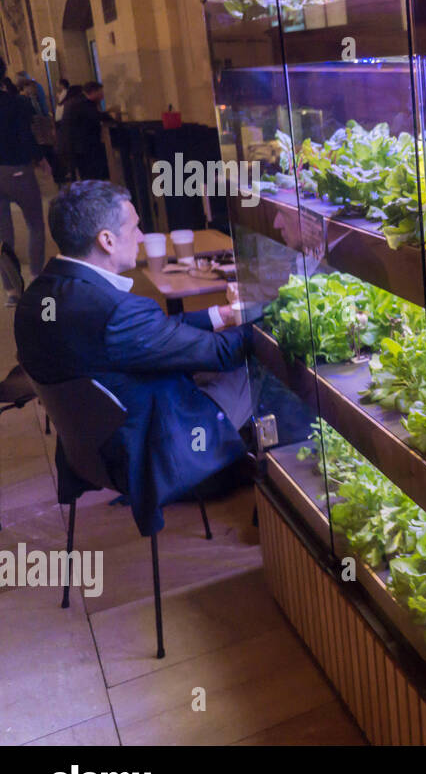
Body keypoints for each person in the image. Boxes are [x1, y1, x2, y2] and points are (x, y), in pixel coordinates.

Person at [14, 181, 252, 536]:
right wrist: (274, 311)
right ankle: (280, 506)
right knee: (257, 364)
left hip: (89, 451)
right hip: (148, 449)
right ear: (106, 240)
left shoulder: (39, 297)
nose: (142, 236)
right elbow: (222, 352)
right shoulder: (116, 312)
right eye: (135, 227)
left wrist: (225, 314)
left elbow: (154, 334)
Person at [0, 58, 49, 303]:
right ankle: (36, 277)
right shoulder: (16, 104)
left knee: (3, 234)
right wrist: (41, 160)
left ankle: (11, 291)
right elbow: (27, 137)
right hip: (17, 169)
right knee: (35, 224)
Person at [63, 80, 115, 180]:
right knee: (90, 174)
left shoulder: (77, 101)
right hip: (84, 146)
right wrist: (111, 118)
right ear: (93, 92)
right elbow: (95, 116)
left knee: (87, 174)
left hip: (78, 146)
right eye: (100, 92)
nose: (102, 96)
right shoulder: (84, 103)